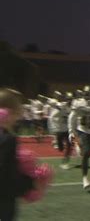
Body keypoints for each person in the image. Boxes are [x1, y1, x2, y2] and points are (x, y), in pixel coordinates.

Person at [0, 88, 35, 221]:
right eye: (18, 109)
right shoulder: (7, 139)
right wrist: (30, 183)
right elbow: (5, 175)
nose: (21, 114)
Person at [48, 91, 73, 169]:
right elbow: (51, 102)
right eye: (68, 99)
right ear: (66, 99)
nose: (70, 101)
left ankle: (65, 163)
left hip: (67, 129)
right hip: (59, 129)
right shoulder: (61, 105)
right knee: (60, 148)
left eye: (71, 99)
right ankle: (57, 143)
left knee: (69, 146)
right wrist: (55, 99)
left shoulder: (73, 107)